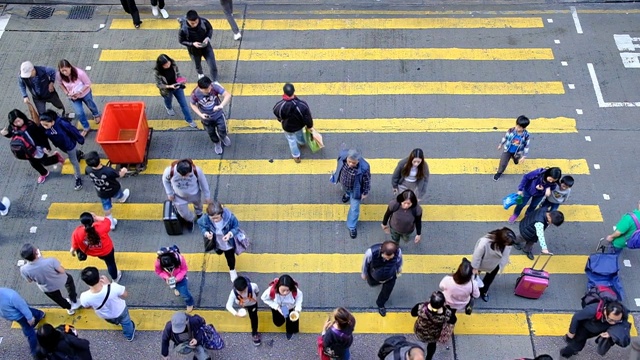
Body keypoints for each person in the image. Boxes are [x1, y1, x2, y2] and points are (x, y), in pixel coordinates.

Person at [2, 107, 64, 184]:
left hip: (37, 147)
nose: (18, 123)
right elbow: (11, 135)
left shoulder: (30, 125)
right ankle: (44, 173)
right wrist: (6, 134)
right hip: (26, 150)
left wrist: (45, 147)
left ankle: (56, 158)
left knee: (44, 162)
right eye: (15, 122)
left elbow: (41, 136)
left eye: (18, 121)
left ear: (22, 117)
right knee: (34, 164)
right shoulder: (12, 128)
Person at [19, 243, 81, 315]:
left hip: (47, 288)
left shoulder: (23, 269)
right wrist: (41, 258)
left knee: (58, 299)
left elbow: (29, 281)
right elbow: (62, 271)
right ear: (36, 252)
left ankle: (69, 308)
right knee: (69, 280)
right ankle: (73, 299)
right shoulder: (50, 261)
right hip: (60, 280)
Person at [79, 266, 135, 341]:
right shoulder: (113, 287)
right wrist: (110, 284)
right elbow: (125, 295)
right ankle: (129, 336)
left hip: (106, 315)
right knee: (127, 322)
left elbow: (87, 306)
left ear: (86, 282)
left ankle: (117, 323)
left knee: (114, 321)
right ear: (99, 277)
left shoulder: (84, 297)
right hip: (120, 310)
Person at [560, 301, 631, 358]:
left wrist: (611, 333)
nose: (613, 323)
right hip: (585, 329)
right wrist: (571, 332)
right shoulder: (592, 310)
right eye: (611, 320)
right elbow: (576, 317)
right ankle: (565, 354)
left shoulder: (622, 314)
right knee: (576, 346)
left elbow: (623, 328)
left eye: (617, 321)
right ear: (605, 312)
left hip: (598, 329)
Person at [39, 109, 85, 190]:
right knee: (72, 154)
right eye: (43, 125)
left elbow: (73, 130)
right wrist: (46, 146)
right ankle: (79, 154)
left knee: (74, 162)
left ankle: (78, 179)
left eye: (46, 125)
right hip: (61, 146)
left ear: (52, 121)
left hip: (69, 145)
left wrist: (80, 139)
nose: (44, 127)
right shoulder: (45, 127)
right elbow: (43, 137)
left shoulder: (62, 124)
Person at [330, 148, 371, 239]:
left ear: (358, 160)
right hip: (344, 184)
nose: (351, 164)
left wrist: (365, 192)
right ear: (347, 158)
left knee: (354, 208)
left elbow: (367, 181)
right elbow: (338, 167)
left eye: (354, 162)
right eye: (349, 161)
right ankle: (347, 194)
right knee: (345, 189)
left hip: (356, 190)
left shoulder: (364, 167)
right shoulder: (342, 156)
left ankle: (351, 226)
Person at [85, 151, 130, 229]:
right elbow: (119, 175)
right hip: (113, 189)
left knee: (106, 207)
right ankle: (122, 198)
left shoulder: (88, 169)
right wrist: (124, 171)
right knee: (119, 194)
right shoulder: (108, 170)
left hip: (102, 192)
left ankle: (111, 223)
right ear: (99, 159)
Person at [71, 212, 122, 282]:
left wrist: (72, 252)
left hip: (94, 252)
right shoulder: (101, 227)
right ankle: (115, 277)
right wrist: (96, 217)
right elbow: (108, 221)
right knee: (111, 264)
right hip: (106, 250)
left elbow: (75, 245)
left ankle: (114, 276)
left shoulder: (77, 232)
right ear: (92, 220)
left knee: (105, 260)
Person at [163, 159, 211, 231]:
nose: (184, 177)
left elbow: (203, 183)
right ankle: (190, 219)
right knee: (184, 214)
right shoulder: (169, 171)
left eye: (186, 175)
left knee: (198, 205)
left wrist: (207, 196)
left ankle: (199, 213)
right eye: (182, 175)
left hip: (195, 194)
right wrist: (169, 193)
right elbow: (165, 180)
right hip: (178, 196)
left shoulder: (196, 170)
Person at [56, 59, 100, 137]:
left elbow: (88, 84)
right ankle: (86, 127)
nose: (64, 73)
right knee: (79, 112)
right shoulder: (59, 75)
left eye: (66, 70)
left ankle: (96, 114)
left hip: (85, 93)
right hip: (73, 97)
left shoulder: (80, 73)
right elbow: (61, 84)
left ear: (70, 67)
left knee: (91, 105)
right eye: (62, 71)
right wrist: (67, 93)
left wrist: (79, 92)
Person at [197, 202, 241, 281]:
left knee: (229, 256)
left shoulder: (230, 218)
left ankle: (232, 270)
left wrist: (229, 234)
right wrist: (206, 233)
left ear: (222, 213)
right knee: (219, 251)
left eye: (217, 218)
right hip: (216, 240)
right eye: (212, 218)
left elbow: (236, 227)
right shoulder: (205, 218)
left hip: (228, 241)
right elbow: (201, 225)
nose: (215, 220)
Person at [272, 83, 314, 163]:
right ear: (293, 91)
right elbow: (307, 117)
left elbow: (277, 113)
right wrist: (309, 126)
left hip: (287, 127)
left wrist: (280, 120)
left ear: (284, 93)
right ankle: (302, 143)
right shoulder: (301, 105)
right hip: (298, 126)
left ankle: (296, 156)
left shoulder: (280, 105)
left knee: (291, 141)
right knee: (300, 134)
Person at [189, 76, 232, 154]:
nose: (209, 90)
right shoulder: (195, 94)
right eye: (206, 89)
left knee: (222, 129)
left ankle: (223, 137)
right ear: (200, 88)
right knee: (211, 132)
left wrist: (221, 105)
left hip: (218, 115)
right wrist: (201, 114)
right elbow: (192, 104)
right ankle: (217, 143)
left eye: (209, 88)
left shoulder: (214, 87)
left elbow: (227, 95)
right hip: (206, 118)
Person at [470, 227, 515, 302]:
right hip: (484, 262)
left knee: (490, 278)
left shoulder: (507, 241)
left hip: (495, 264)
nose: (509, 245)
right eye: (507, 244)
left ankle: (484, 291)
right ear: (501, 241)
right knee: (474, 277)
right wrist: (475, 267)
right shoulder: (485, 242)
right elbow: (477, 256)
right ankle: (472, 291)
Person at [0, 287, 45, 357]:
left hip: (20, 317)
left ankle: (36, 352)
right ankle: (39, 314)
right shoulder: (8, 296)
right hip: (15, 313)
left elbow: (22, 307)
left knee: (29, 333)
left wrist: (30, 318)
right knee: (27, 311)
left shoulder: (11, 296)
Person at [361, 241, 403, 317]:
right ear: (381, 251)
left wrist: (399, 269)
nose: (387, 259)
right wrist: (364, 274)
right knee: (372, 284)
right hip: (374, 275)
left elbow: (399, 261)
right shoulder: (370, 253)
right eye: (386, 257)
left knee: (386, 292)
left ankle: (380, 304)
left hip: (390, 276)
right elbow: (365, 263)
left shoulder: (398, 251)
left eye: (390, 258)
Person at [154, 54, 196, 128]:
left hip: (177, 87)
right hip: (167, 91)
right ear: (161, 66)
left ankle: (189, 120)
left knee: (184, 104)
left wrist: (181, 80)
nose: (168, 65)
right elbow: (159, 85)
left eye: (168, 62)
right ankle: (168, 107)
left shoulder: (173, 65)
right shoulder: (157, 72)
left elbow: (178, 74)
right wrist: (169, 86)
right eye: (165, 65)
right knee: (168, 101)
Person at [411, 291, 455, 360]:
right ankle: (429, 358)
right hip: (434, 335)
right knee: (432, 346)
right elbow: (453, 320)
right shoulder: (447, 314)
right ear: (443, 303)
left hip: (420, 331)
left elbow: (413, 314)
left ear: (429, 300)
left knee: (418, 342)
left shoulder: (421, 307)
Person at [260, 275, 303, 340]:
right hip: (279, 307)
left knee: (291, 320)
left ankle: (290, 331)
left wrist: (297, 310)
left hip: (289, 307)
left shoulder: (295, 290)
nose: (285, 293)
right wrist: (276, 306)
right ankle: (285, 323)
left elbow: (299, 299)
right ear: (278, 287)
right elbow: (264, 298)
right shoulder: (272, 290)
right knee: (278, 322)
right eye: (283, 290)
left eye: (288, 290)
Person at [179, 10, 217, 81]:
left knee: (212, 65)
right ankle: (200, 73)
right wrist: (192, 44)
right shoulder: (183, 29)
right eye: (192, 23)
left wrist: (207, 37)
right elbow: (181, 40)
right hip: (194, 50)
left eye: (196, 22)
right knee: (197, 64)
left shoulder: (203, 21)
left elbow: (210, 29)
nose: (195, 24)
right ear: (187, 20)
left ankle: (214, 80)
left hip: (206, 47)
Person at [155, 245, 194, 313]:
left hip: (181, 279)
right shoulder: (158, 263)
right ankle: (176, 288)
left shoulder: (180, 259)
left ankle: (189, 303)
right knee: (174, 287)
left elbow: (184, 270)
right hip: (169, 279)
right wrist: (166, 277)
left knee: (185, 293)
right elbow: (159, 272)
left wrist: (177, 278)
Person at [226, 276, 261, 345]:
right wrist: (236, 313)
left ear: (247, 285)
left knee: (254, 318)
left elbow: (257, 292)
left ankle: (254, 333)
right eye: (240, 292)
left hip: (252, 304)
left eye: (244, 291)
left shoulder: (253, 286)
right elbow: (228, 305)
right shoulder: (233, 293)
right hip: (242, 304)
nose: (242, 293)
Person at [493, 115, 531, 181]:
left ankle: (515, 160)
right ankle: (499, 172)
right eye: (517, 125)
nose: (517, 128)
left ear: (524, 128)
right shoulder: (511, 130)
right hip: (507, 150)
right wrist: (501, 144)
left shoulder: (526, 135)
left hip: (517, 152)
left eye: (519, 127)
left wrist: (524, 156)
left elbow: (526, 146)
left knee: (516, 159)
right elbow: (505, 137)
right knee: (503, 163)